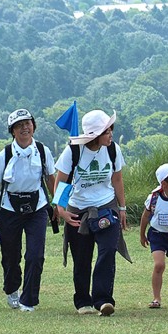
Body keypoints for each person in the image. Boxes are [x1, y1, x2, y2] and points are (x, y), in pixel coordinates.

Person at [55, 109, 130, 317]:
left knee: (107, 251)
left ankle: (103, 299)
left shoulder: (113, 149)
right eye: (107, 131)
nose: (111, 134)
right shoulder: (73, 151)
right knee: (82, 257)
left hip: (107, 206)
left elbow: (117, 179)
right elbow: (61, 181)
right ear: (96, 135)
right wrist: (61, 210)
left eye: (111, 129)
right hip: (78, 209)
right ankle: (83, 301)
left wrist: (122, 208)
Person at [0, 109, 56, 312]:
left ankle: (29, 300)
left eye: (28, 123)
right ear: (13, 131)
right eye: (19, 125)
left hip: (37, 207)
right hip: (9, 208)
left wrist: (58, 205)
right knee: (11, 255)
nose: (25, 128)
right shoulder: (5, 154)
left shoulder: (43, 151)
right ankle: (12, 289)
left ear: (34, 126)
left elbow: (51, 179)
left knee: (35, 255)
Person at [139, 163, 168, 308]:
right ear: (164, 184)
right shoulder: (154, 198)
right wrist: (142, 234)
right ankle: (156, 298)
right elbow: (145, 216)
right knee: (159, 265)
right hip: (157, 234)